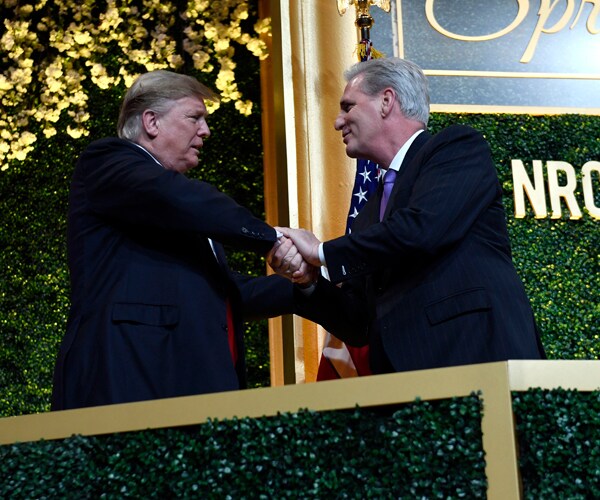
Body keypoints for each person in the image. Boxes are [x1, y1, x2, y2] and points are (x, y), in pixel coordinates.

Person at [270, 57, 546, 375]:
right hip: (404, 386)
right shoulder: (368, 215)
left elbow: (421, 230)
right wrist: (308, 281)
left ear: (386, 101)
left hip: (475, 358)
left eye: (348, 107)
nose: (338, 121)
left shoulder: (456, 149)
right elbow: (358, 323)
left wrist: (320, 252)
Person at [51, 70, 305, 410]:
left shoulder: (177, 206)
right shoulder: (108, 161)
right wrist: (272, 238)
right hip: (128, 386)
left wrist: (309, 283)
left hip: (190, 391)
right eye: (194, 118)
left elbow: (223, 292)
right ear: (152, 122)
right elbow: (178, 198)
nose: (205, 131)